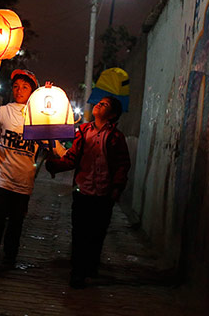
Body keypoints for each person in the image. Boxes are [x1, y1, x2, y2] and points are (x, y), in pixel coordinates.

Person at [45, 96, 131, 289]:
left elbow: (122, 165)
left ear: (113, 114)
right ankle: (77, 272)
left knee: (97, 233)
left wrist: (117, 188)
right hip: (83, 191)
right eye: (100, 102)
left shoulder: (117, 137)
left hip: (104, 194)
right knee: (80, 233)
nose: (99, 104)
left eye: (105, 104)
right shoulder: (83, 131)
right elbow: (73, 158)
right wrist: (54, 165)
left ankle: (91, 266)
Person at [0, 69, 40, 271]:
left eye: (25, 87)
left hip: (24, 179)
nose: (19, 90)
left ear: (33, 91)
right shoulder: (3, 111)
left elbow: (53, 144)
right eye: (16, 86)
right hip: (2, 176)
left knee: (16, 221)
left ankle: (10, 257)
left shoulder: (39, 116)